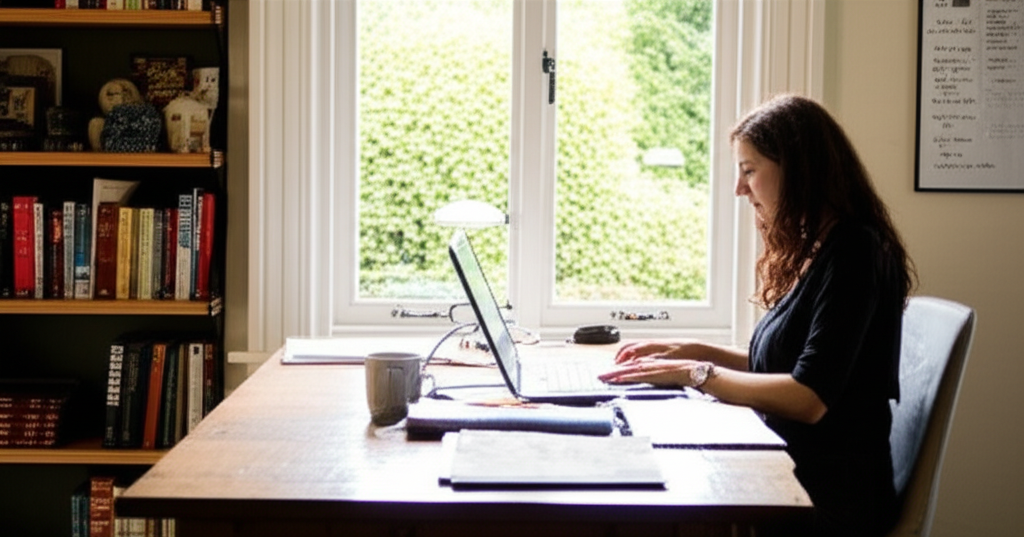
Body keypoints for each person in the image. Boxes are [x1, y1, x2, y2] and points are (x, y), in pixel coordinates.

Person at [598, 94, 916, 537]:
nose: (739, 188)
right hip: (793, 476)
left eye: (749, 171)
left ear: (800, 170)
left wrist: (696, 373)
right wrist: (691, 352)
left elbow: (808, 397)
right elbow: (791, 365)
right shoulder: (822, 247)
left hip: (825, 502)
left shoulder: (856, 253)